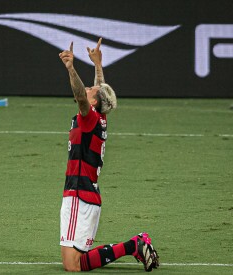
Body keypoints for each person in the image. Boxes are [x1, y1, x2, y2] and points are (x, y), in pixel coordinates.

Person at [58, 38, 159, 272]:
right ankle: (134, 245)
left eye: (91, 90)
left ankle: (133, 245)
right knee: (76, 262)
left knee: (71, 266)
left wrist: (71, 68)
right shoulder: (100, 117)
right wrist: (98, 65)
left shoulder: (89, 117)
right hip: (88, 196)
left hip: (78, 195)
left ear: (93, 102)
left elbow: (83, 97)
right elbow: (99, 92)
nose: (88, 87)